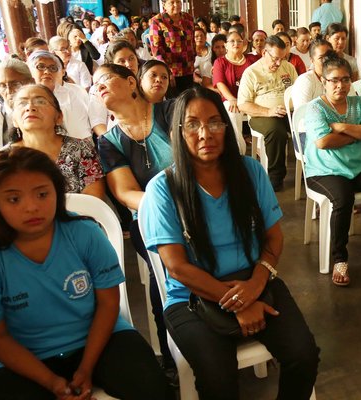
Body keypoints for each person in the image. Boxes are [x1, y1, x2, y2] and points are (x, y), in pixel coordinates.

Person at [140, 87, 320, 399]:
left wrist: (254, 286)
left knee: (304, 355)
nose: (205, 133)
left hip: (254, 277)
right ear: (177, 133)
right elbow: (177, 267)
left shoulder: (250, 172)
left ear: (227, 126)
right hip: (190, 296)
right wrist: (238, 302)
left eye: (214, 122)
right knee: (218, 378)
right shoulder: (163, 189)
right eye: (192, 124)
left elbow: (274, 236)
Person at [0, 146, 174, 400]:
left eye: (42, 194)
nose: (31, 207)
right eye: (13, 199)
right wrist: (53, 382)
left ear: (58, 192)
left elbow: (109, 303)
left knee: (152, 387)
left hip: (100, 338)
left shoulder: (85, 233)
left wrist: (85, 368)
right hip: (23, 357)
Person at [93, 63, 179, 381]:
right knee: (164, 270)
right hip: (150, 216)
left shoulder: (169, 111)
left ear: (131, 82)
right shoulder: (109, 142)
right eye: (94, 84)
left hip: (201, 202)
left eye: (105, 79)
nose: (98, 86)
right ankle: (173, 356)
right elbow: (126, 192)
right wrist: (168, 206)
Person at [304, 57, 361, 285]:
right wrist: (355, 133)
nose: (340, 85)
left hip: (359, 166)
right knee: (343, 199)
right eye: (334, 81)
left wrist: (341, 128)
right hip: (325, 170)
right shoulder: (314, 108)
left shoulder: (357, 103)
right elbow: (323, 142)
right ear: (323, 81)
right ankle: (339, 259)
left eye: (345, 80)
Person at [0, 84, 105, 198]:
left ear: (59, 117)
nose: (30, 107)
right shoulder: (3, 159)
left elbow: (93, 198)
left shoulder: (81, 149)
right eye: (22, 103)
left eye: (40, 102)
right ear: (14, 120)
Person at [238, 35, 298, 191]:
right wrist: (269, 111)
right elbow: (243, 104)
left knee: (311, 123)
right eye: (275, 59)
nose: (279, 63)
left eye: (282, 59)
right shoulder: (251, 73)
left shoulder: (288, 67)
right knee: (276, 130)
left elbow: (298, 91)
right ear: (264, 53)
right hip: (261, 115)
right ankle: (275, 178)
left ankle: (311, 171)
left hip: (289, 111)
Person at [26, 50, 107, 139]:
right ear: (30, 71)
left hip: (85, 147)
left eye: (53, 68)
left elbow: (93, 119)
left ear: (62, 72)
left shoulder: (77, 91)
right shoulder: (27, 97)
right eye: (41, 67)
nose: (47, 71)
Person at [149, 0, 196, 94]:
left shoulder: (188, 18)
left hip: (189, 69)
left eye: (178, 2)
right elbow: (156, 50)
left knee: (189, 101)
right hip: (171, 72)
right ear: (164, 4)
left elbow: (193, 42)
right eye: (172, 2)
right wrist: (166, 72)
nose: (176, 5)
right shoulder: (157, 21)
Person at [213, 31, 258, 113]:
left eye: (239, 41)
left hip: (252, 98)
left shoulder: (253, 59)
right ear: (226, 45)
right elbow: (220, 83)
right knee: (232, 110)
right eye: (232, 41)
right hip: (230, 99)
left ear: (243, 44)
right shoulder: (219, 62)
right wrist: (232, 99)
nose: (236, 43)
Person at [291, 38, 334, 109]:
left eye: (329, 56)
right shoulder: (305, 81)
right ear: (312, 60)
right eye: (321, 58)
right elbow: (302, 115)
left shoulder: (341, 78)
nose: (327, 60)